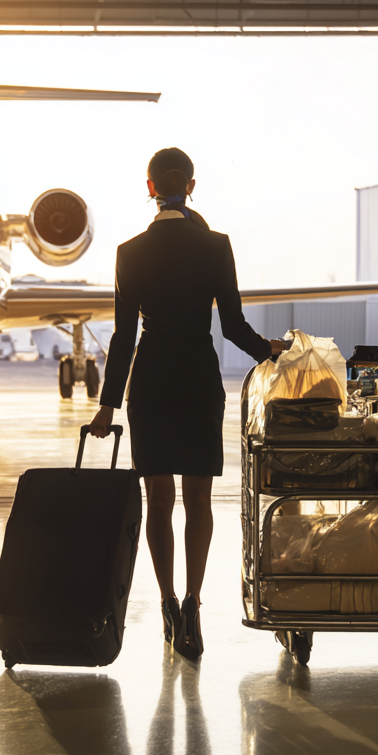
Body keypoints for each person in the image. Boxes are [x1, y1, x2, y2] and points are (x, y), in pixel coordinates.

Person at [89, 148, 287, 660]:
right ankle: (195, 607)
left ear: (150, 187)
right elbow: (233, 326)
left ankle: (168, 605)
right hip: (199, 380)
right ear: (191, 186)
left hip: (151, 383)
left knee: (158, 501)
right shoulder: (215, 245)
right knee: (199, 500)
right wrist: (268, 350)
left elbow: (124, 336)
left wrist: (108, 404)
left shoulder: (130, 251)